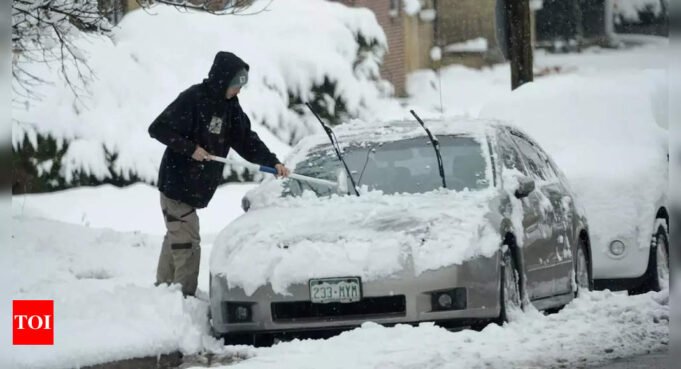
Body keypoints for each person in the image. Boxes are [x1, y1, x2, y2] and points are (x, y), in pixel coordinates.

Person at [148, 51, 289, 297]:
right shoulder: (193, 99)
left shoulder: (230, 108)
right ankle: (182, 297)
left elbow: (246, 140)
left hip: (194, 188)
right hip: (177, 184)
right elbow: (157, 128)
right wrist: (191, 149)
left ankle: (164, 293)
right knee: (187, 242)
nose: (238, 91)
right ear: (222, 80)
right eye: (235, 85)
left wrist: (272, 162)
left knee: (177, 235)